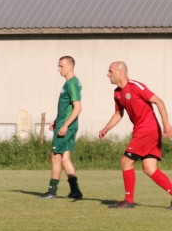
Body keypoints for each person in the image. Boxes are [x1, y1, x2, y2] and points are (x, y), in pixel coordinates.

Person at [99, 61, 172, 209]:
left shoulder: (135, 86)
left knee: (126, 161)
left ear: (121, 72)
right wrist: (106, 128)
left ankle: (128, 200)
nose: (108, 74)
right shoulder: (117, 93)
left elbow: (159, 101)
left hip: (147, 129)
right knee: (149, 168)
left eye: (110, 71)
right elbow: (119, 113)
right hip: (143, 130)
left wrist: (166, 125)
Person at [40, 56, 83, 200]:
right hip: (64, 124)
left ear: (70, 66)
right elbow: (68, 108)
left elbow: (77, 108)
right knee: (65, 158)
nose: (59, 69)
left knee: (55, 157)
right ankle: (75, 191)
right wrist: (56, 120)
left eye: (61, 66)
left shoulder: (72, 83)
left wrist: (64, 125)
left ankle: (52, 191)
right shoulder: (70, 83)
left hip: (66, 127)